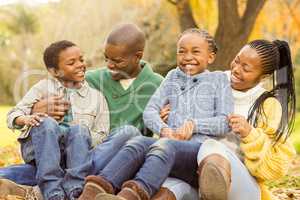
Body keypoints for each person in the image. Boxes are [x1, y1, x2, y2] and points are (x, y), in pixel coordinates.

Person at [0, 24, 172, 199]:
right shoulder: (90, 78)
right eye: (106, 59)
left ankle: (46, 188)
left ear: (138, 57)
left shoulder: (158, 85)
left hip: (113, 156)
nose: (110, 66)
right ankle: (69, 185)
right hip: (70, 151)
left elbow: (168, 126)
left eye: (117, 61)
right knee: (67, 156)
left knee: (129, 132)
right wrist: (36, 108)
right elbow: (61, 82)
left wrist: (167, 118)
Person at [78, 28, 233, 200]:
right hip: (168, 145)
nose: (187, 57)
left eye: (195, 52)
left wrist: (194, 124)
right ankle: (94, 190)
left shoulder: (219, 79)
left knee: (165, 146)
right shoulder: (173, 77)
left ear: (210, 57)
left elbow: (225, 122)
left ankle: (129, 196)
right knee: (137, 142)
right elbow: (150, 112)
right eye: (181, 52)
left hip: (197, 153)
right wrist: (164, 129)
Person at [5, 40, 110, 200]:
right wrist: (26, 118)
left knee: (80, 130)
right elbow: (13, 114)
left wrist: (76, 137)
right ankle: (52, 191)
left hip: (76, 156)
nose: (80, 65)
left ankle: (75, 189)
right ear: (54, 71)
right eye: (71, 62)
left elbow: (102, 134)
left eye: (81, 60)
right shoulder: (42, 88)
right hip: (40, 150)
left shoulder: (96, 97)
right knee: (47, 123)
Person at [196, 39, 296, 200]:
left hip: (243, 186)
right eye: (237, 60)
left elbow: (278, 166)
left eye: (246, 68)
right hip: (193, 171)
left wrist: (250, 134)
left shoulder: (268, 105)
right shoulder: (212, 81)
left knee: (211, 147)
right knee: (170, 189)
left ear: (263, 77)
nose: (236, 69)